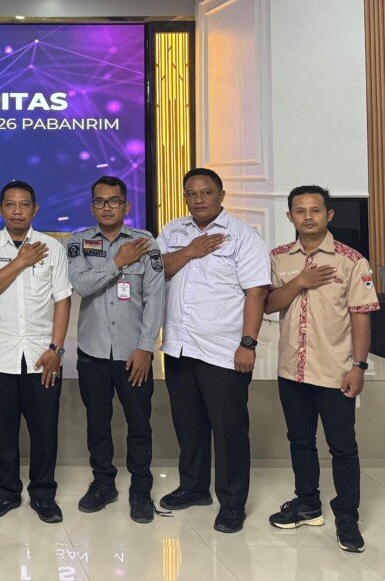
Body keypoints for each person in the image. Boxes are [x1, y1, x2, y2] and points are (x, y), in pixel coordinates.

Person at [265, 185, 379, 554]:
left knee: (342, 447)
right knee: (300, 441)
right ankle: (307, 505)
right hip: (292, 370)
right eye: (300, 211)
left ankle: (347, 516)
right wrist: (300, 281)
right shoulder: (279, 258)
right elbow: (268, 304)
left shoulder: (351, 260)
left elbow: (361, 316)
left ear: (329, 215)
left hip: (335, 371)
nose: (308, 217)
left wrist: (358, 366)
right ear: (290, 217)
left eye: (315, 210)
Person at [157, 167, 269, 534]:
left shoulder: (243, 236)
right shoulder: (174, 231)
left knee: (228, 430)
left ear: (221, 195)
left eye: (206, 192)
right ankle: (193, 488)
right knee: (188, 425)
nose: (199, 199)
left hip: (223, 350)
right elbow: (156, 270)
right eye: (191, 193)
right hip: (179, 346)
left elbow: (256, 293)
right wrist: (190, 252)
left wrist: (248, 344)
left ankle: (232, 502)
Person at [0, 180, 72, 524]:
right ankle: (6, 492)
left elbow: (62, 300)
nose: (17, 211)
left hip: (42, 356)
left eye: (24, 204)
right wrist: (20, 261)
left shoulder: (52, 247)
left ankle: (43, 494)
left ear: (35, 209)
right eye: (10, 205)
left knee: (45, 432)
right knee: (3, 431)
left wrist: (56, 348)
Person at [66, 175, 164, 523]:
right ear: (92, 206)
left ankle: (141, 489)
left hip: (133, 354)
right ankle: (103, 483)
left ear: (126, 205)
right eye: (100, 201)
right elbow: (81, 284)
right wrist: (117, 261)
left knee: (139, 424)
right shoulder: (78, 241)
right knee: (98, 423)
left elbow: (155, 298)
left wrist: (146, 348)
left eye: (114, 201)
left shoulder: (145, 242)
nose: (107, 207)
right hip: (93, 352)